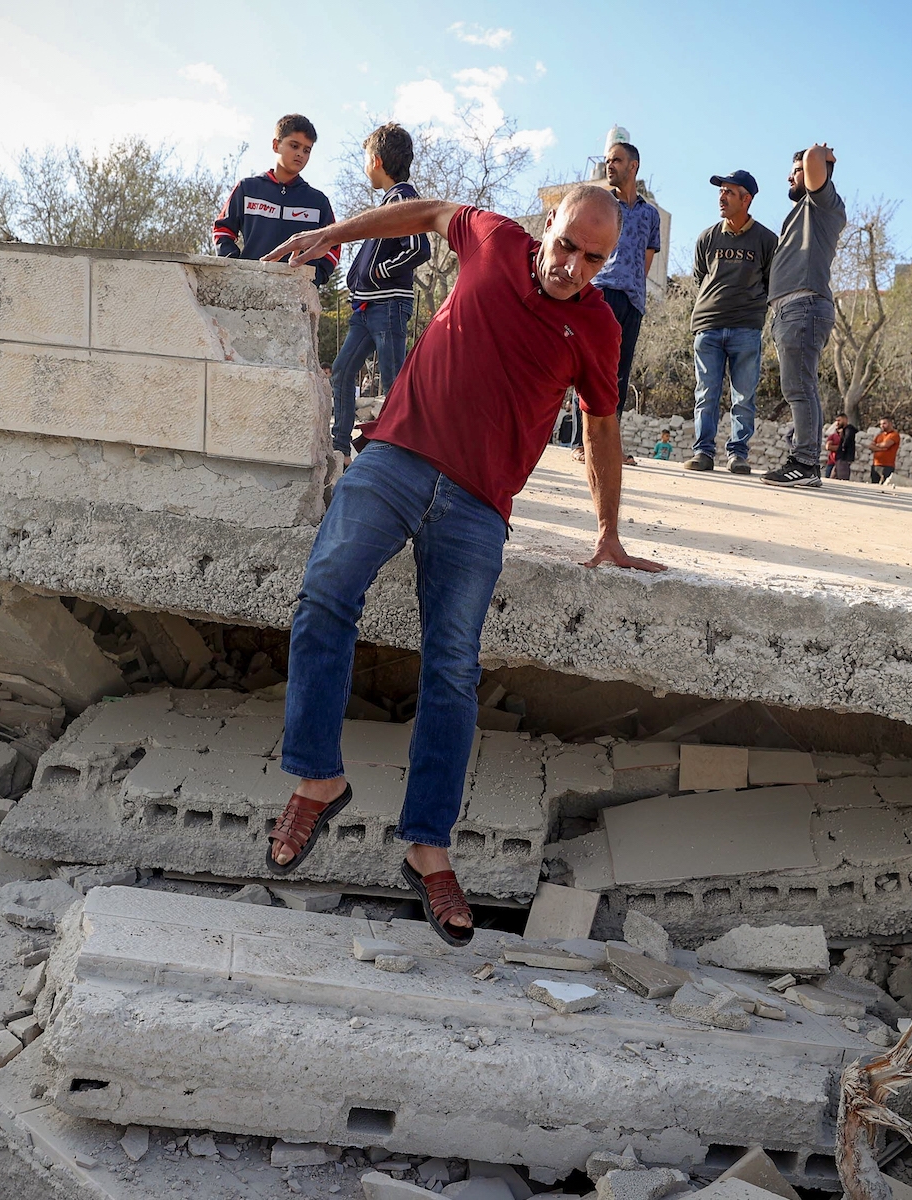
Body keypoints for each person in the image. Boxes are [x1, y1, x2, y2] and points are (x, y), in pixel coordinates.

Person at [254, 184, 662, 947]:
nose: (573, 266)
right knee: (325, 593)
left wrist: (609, 531)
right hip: (398, 457)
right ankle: (319, 777)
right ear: (549, 226)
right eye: (568, 245)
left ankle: (427, 844)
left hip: (478, 505)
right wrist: (331, 234)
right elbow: (427, 211)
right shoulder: (495, 239)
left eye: (594, 258)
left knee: (450, 668)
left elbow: (601, 431)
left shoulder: (597, 328)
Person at [328, 123, 430, 456]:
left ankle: (398, 455)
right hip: (366, 309)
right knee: (342, 372)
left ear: (375, 161)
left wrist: (378, 271)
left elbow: (419, 248)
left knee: (394, 384)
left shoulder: (402, 198)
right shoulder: (390, 200)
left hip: (387, 307)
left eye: (364, 160)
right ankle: (340, 447)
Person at [762, 144, 849, 488]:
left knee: (799, 387)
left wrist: (818, 155)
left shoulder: (824, 204)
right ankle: (806, 461)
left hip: (804, 306)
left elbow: (814, 158)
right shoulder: (803, 212)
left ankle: (805, 462)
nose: (789, 176)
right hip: (791, 309)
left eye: (794, 170)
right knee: (799, 386)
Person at [575, 140, 665, 462]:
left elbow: (647, 258)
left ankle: (609, 448)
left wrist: (634, 290)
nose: (609, 165)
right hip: (599, 292)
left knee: (619, 372)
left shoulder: (650, 215)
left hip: (633, 301)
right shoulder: (600, 204)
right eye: (606, 160)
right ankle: (581, 443)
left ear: (633, 166)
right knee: (589, 366)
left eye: (616, 160)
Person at [685, 170, 778, 474]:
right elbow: (701, 278)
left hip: (746, 329)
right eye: (720, 191)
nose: (721, 197)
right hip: (708, 326)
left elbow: (771, 282)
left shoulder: (766, 240)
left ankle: (738, 454)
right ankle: (703, 452)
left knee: (743, 397)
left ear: (746, 199)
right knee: (705, 394)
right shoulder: (707, 237)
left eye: (729, 191)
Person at [212, 115, 338, 284]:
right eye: (294, 146)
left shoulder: (318, 201)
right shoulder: (247, 189)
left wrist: (316, 278)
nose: (300, 154)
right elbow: (222, 229)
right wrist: (235, 266)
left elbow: (333, 245)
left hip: (297, 293)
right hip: (250, 285)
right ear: (276, 145)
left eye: (306, 150)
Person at [826, 415, 858, 480]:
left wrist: (843, 447)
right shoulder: (843, 431)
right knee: (832, 478)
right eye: (836, 421)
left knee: (842, 479)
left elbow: (848, 438)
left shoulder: (849, 429)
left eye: (839, 420)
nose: (837, 423)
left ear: (845, 420)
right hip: (839, 459)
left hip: (844, 458)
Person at [870, 419, 902, 483]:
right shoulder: (879, 436)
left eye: (884, 423)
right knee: (874, 484)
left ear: (890, 424)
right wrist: (880, 448)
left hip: (887, 465)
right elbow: (871, 446)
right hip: (876, 464)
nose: (882, 426)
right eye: (881, 424)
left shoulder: (894, 435)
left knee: (885, 485)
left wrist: (876, 445)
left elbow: (886, 444)